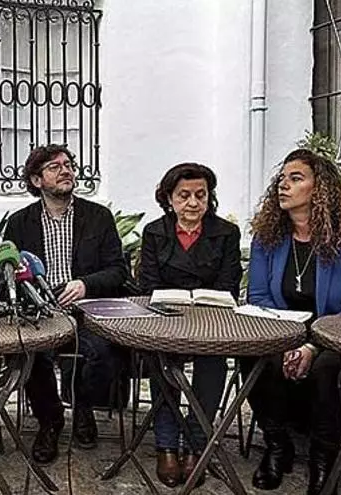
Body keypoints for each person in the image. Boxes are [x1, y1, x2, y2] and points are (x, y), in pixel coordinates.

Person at [242, 149, 341, 494]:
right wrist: (290, 341)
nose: (283, 185)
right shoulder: (268, 236)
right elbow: (258, 297)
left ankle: (324, 458)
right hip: (284, 332)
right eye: (282, 179)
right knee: (253, 353)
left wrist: (312, 345)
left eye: (295, 178)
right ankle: (277, 446)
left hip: (339, 337)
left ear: (320, 188)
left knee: (327, 366)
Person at [3, 144, 128, 464]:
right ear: (36, 180)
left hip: (88, 310)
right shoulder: (19, 223)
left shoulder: (98, 217)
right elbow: (8, 275)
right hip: (41, 311)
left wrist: (85, 284)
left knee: (103, 352)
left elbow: (118, 270)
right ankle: (50, 420)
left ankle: (83, 406)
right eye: (55, 167)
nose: (66, 170)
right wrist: (30, 294)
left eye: (68, 164)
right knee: (32, 354)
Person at [138, 163, 242, 487]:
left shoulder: (226, 232)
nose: (193, 203)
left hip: (211, 320)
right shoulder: (154, 232)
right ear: (169, 199)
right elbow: (147, 284)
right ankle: (166, 444)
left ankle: (197, 443)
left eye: (201, 195)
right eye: (184, 196)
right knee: (161, 360)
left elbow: (229, 283)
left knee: (213, 362)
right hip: (166, 319)